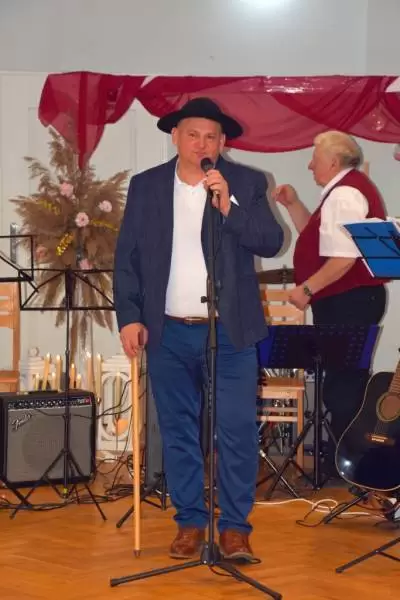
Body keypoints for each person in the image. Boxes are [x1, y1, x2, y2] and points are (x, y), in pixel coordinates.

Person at [114, 97, 284, 560]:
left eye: (211, 137)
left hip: (230, 331)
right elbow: (127, 258)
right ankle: (189, 521)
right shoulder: (147, 186)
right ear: (175, 137)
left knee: (236, 429)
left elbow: (272, 242)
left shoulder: (245, 183)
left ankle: (234, 529)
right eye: (193, 134)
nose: (201, 144)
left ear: (223, 142)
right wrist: (129, 316)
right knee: (178, 430)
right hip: (167, 331)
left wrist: (229, 207)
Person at [273, 130, 388, 477]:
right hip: (350, 300)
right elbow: (322, 243)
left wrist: (306, 290)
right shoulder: (345, 190)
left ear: (333, 162)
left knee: (342, 387)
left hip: (347, 301)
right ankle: (349, 466)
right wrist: (293, 204)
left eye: (315, 159)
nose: (310, 165)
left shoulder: (344, 194)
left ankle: (349, 469)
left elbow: (344, 259)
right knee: (344, 383)